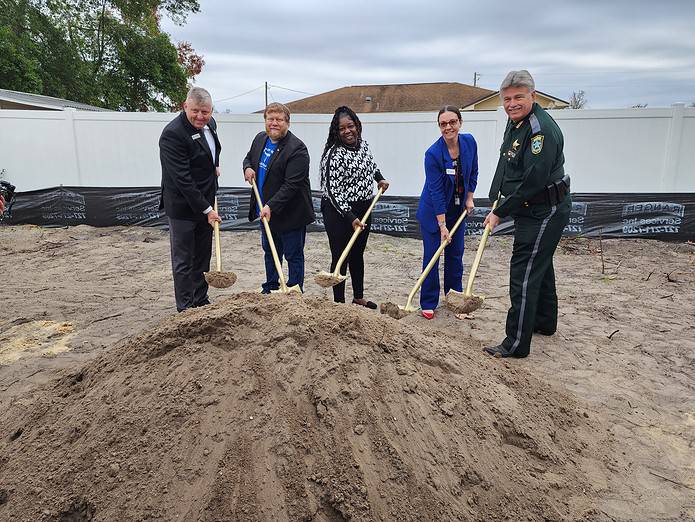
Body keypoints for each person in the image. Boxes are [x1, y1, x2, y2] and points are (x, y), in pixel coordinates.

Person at [483, 70, 571, 358]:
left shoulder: (540, 131)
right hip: (529, 206)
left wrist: (500, 213)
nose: (512, 104)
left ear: (533, 96)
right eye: (507, 99)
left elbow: (532, 182)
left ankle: (516, 343)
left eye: (518, 97)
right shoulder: (515, 123)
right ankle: (544, 322)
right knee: (540, 263)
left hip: (545, 209)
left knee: (524, 269)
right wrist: (494, 197)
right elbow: (505, 162)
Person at [320, 106, 390, 308]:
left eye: (350, 126)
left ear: (357, 126)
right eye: (342, 128)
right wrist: (351, 218)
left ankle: (358, 296)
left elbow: (371, 165)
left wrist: (380, 178)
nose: (347, 131)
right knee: (341, 255)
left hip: (364, 207)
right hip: (339, 212)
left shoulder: (363, 145)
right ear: (336, 131)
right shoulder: (333, 155)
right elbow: (333, 191)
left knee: (358, 254)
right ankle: (339, 303)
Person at [159, 86, 222, 312]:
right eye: (195, 111)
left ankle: (200, 300)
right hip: (183, 207)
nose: (200, 117)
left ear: (211, 111)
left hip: (205, 202)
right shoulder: (173, 134)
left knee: (203, 256)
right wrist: (207, 210)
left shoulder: (210, 125)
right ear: (185, 106)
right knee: (184, 260)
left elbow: (209, 151)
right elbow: (182, 180)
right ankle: (185, 308)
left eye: (205, 112)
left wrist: (213, 166)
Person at [243, 102, 315, 293]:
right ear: (265, 120)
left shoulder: (297, 149)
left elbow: (291, 185)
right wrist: (247, 167)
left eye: (279, 120)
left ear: (287, 123)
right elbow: (249, 158)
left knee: (293, 255)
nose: (274, 123)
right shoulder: (260, 139)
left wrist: (271, 206)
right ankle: (271, 286)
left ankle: (294, 290)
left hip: (290, 214)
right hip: (266, 212)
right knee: (270, 252)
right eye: (270, 119)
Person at [415, 106, 478, 319]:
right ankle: (428, 302)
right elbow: (436, 191)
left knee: (455, 256)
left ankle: (454, 300)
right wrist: (442, 225)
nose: (448, 127)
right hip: (433, 211)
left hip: (457, 210)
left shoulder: (469, 142)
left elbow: (474, 171)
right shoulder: (432, 154)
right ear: (439, 126)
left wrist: (469, 197)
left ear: (460, 122)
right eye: (443, 124)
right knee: (432, 256)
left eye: (452, 122)